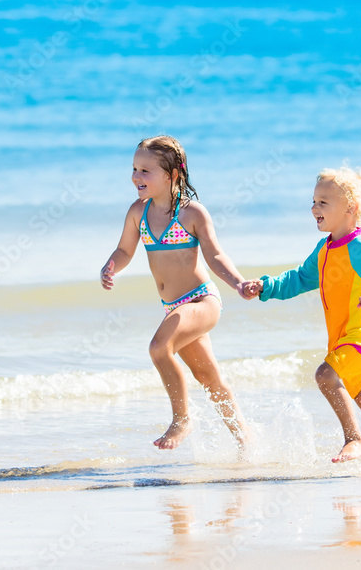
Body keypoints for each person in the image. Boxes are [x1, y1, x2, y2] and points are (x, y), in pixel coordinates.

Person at [242, 166, 361, 476]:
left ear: (350, 209)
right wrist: (266, 286)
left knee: (325, 376)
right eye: (314, 201)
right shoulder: (325, 248)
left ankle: (354, 438)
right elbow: (301, 279)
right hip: (343, 336)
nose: (314, 208)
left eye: (324, 202)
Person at [100, 135, 250, 453]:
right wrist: (112, 265)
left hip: (201, 300)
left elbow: (215, 255)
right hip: (173, 306)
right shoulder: (137, 213)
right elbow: (125, 249)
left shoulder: (191, 213)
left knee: (159, 347)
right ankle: (246, 442)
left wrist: (237, 282)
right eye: (134, 168)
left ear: (172, 175)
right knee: (207, 376)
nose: (136, 176)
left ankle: (182, 419)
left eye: (145, 170)